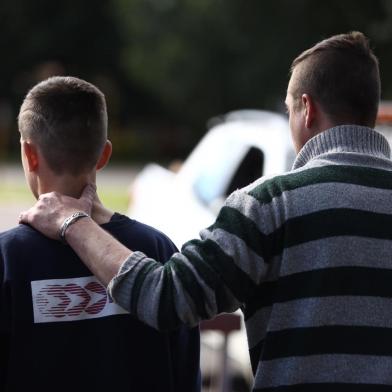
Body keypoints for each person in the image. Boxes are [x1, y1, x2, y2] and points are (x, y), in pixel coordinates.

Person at [19, 31, 392, 391]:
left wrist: (72, 221)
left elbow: (166, 299)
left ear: (306, 110)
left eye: (289, 110)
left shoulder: (272, 204)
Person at [0, 76, 200, 392]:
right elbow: (185, 374)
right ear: (104, 155)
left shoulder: (7, 259)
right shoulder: (158, 251)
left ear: (29, 154)